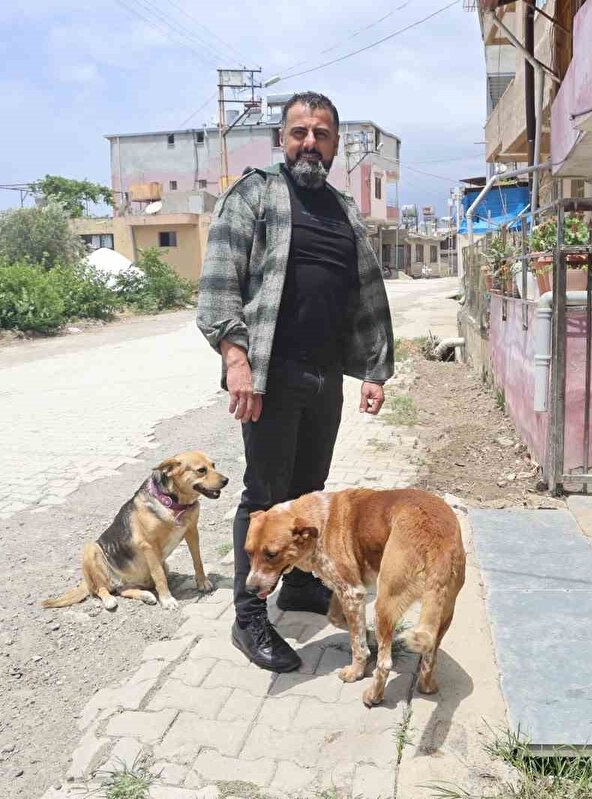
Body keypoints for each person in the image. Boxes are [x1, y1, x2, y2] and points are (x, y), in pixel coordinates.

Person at [196, 91, 395, 672]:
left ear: (336, 144)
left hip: (325, 374)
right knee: (263, 497)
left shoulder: (343, 208)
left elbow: (361, 294)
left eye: (322, 134)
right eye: (300, 132)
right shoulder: (255, 194)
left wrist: (373, 371)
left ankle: (303, 586)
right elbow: (217, 286)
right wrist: (237, 362)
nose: (310, 142)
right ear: (282, 139)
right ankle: (249, 619)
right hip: (270, 376)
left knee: (310, 493)